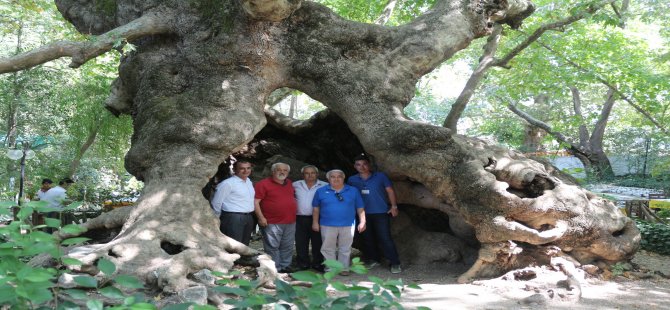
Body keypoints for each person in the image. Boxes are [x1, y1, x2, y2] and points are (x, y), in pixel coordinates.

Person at [347, 154, 402, 274]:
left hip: (381, 213)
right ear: (355, 167)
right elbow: (349, 196)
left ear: (369, 165)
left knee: (385, 238)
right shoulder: (352, 180)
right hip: (362, 215)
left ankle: (395, 263)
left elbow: (390, 191)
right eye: (358, 165)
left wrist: (394, 206)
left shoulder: (380, 176)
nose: (362, 167)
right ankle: (374, 259)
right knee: (367, 239)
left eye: (364, 164)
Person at [312, 169, 366, 276]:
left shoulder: (353, 190)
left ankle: (343, 268)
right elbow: (315, 208)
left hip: (348, 224)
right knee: (327, 248)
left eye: (339, 176)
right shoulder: (320, 191)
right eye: (333, 176)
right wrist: (315, 222)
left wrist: (363, 221)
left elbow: (360, 207)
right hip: (327, 224)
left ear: (343, 178)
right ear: (328, 178)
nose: (336, 179)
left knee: (345, 247)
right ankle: (331, 268)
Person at [254, 162, 297, 273]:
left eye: (285, 170)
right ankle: (275, 268)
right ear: (273, 171)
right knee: (272, 247)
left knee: (287, 246)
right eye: (279, 170)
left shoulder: (289, 183)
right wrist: (261, 217)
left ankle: (285, 266)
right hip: (271, 222)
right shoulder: (263, 184)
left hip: (290, 221)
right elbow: (255, 202)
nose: (282, 172)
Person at [211, 160, 256, 245]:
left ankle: (242, 259)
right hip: (233, 218)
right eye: (242, 168)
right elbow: (216, 202)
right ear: (235, 170)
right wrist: (218, 218)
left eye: (248, 168)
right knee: (234, 245)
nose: (246, 171)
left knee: (244, 245)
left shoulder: (248, 181)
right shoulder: (227, 184)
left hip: (248, 217)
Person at [293, 165, 328, 271]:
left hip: (318, 218)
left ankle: (318, 263)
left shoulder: (325, 185)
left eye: (312, 173)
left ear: (317, 174)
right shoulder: (295, 185)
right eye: (307, 173)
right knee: (300, 242)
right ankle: (303, 263)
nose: (310, 175)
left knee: (318, 242)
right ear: (303, 175)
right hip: (299, 218)